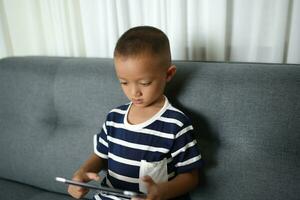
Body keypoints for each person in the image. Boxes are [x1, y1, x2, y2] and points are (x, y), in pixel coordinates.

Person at [68, 26, 202, 200]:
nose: (134, 92)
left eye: (145, 83)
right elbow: (101, 156)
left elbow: (191, 177)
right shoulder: (114, 117)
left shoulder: (176, 124)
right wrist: (82, 173)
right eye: (124, 82)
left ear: (168, 74)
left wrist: (162, 192)